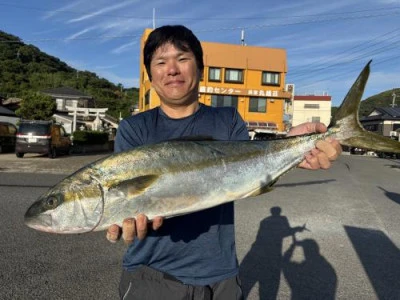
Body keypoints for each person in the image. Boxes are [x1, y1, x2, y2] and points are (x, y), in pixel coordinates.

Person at [107, 25, 342, 300]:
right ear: (151, 75)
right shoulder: (134, 129)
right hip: (152, 275)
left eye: (182, 59)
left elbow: (249, 168)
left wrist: (294, 147)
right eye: (161, 62)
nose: (172, 69)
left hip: (221, 277)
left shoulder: (227, 120)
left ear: (200, 68)